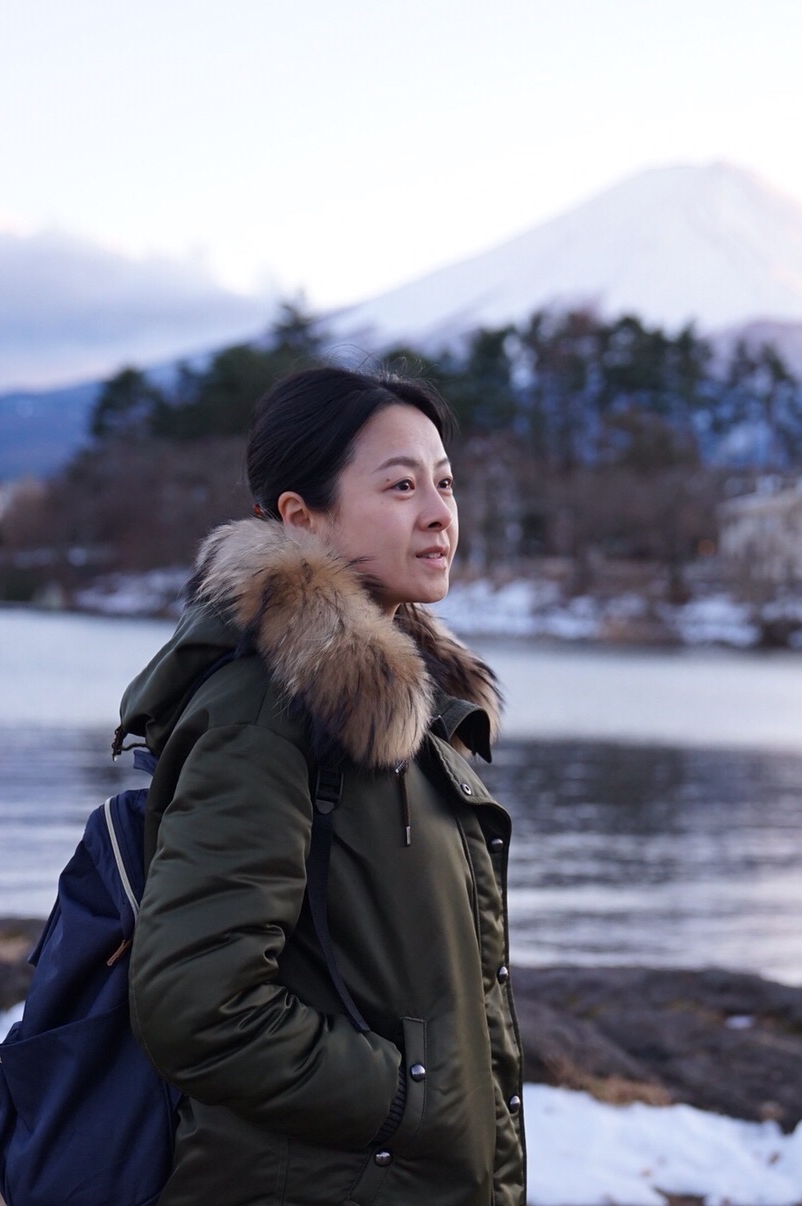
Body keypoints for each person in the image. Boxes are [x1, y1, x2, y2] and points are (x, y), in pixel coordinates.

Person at [115, 366, 524, 1206]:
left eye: (444, 483)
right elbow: (198, 1006)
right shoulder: (264, 712)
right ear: (302, 517)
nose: (440, 513)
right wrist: (410, 1098)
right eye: (402, 485)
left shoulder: (404, 705)